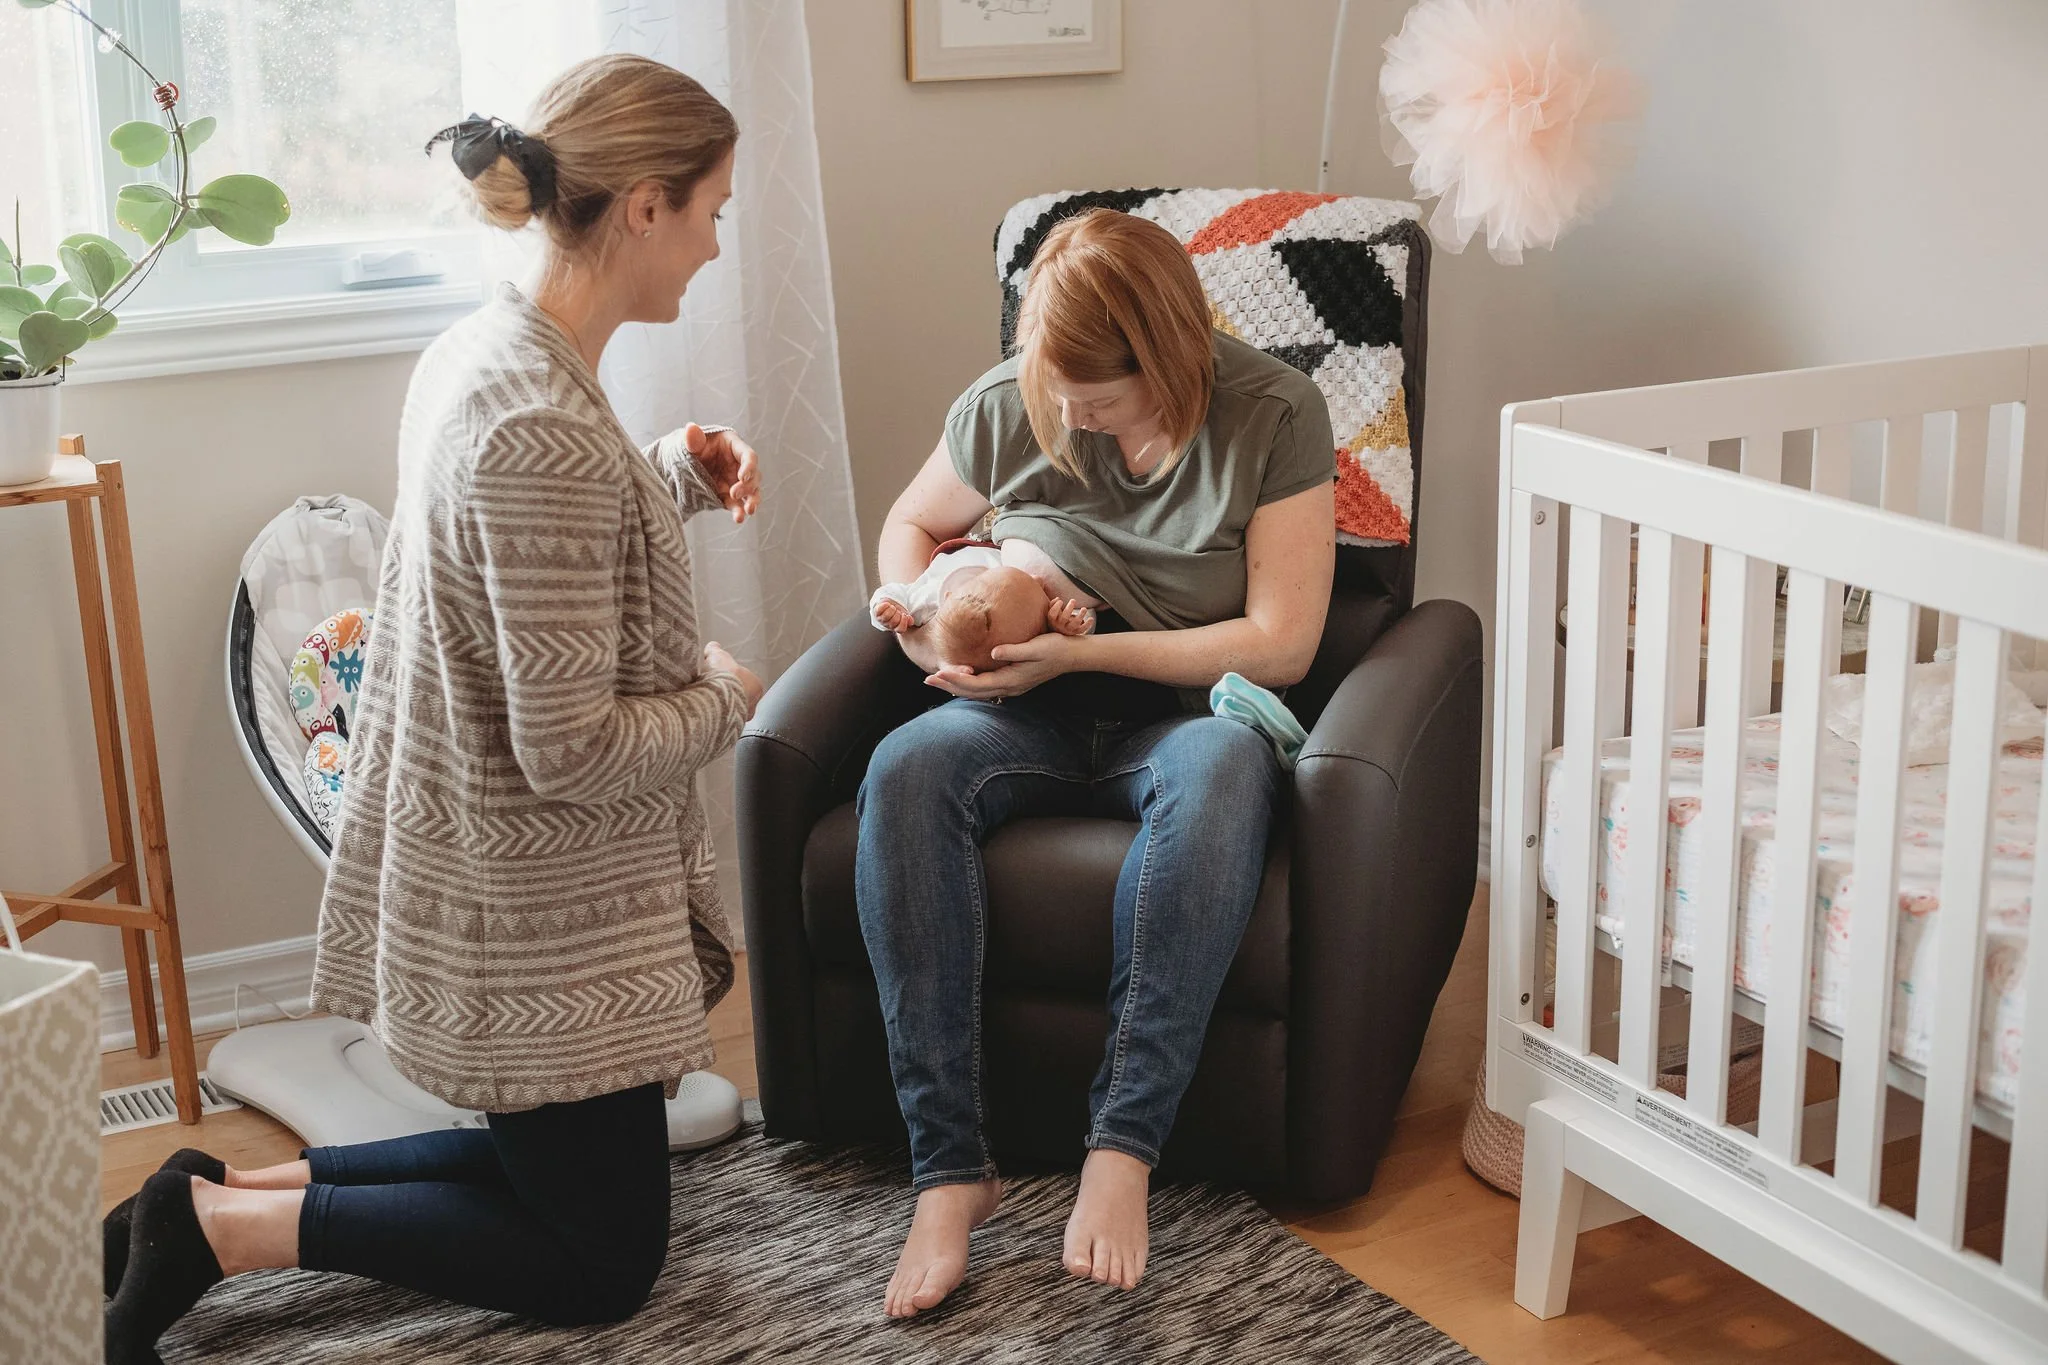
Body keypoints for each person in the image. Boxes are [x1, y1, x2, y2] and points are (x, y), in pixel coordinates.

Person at [101, 55, 766, 1361]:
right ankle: (229, 1235)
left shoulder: (496, 352)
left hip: (506, 884)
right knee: (601, 1260)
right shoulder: (539, 425)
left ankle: (214, 1196)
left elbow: (531, 559)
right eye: (711, 209)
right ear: (643, 206)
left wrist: (668, 471)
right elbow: (570, 745)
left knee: (567, 1184)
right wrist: (722, 697)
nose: (715, 242)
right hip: (539, 926)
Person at [859, 207, 1337, 1318]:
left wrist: (1077, 654)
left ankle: (1121, 1149)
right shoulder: (1015, 397)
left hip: (1177, 711)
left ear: (1166, 355)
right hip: (1015, 717)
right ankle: (949, 1171)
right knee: (902, 770)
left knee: (1222, 771)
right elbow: (906, 527)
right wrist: (927, 627)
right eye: (1051, 387)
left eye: (1095, 398)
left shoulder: (1274, 411)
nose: (1065, 415)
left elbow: (1283, 641)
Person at [869, 537, 1097, 672]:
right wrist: (1065, 628)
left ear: (949, 596)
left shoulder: (928, 596)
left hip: (976, 546)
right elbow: (1082, 620)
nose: (1037, 580)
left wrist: (889, 603)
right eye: (1039, 591)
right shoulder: (1024, 627)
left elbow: (899, 590)